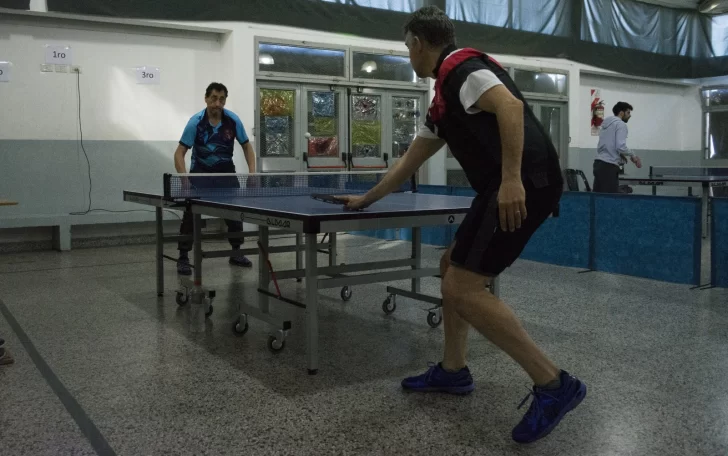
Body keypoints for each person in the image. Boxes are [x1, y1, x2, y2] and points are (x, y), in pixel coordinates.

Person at [336, 6, 586, 444]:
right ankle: (453, 371)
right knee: (452, 265)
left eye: (406, 47)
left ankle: (553, 384)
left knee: (462, 287)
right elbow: (408, 163)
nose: (408, 55)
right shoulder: (443, 100)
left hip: (521, 182)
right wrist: (365, 199)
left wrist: (511, 179)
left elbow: (509, 106)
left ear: (416, 43)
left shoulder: (461, 69)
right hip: (506, 184)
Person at [174, 82, 256, 275]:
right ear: (206, 99)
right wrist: (184, 180)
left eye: (221, 99)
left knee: (234, 214)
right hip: (200, 173)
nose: (217, 103)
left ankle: (236, 252)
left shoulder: (232, 120)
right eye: (214, 99)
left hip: (226, 172)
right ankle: (184, 256)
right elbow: (179, 153)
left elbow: (246, 146)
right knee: (191, 215)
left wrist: (253, 173)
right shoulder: (196, 122)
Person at [593, 101, 642, 193]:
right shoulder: (621, 125)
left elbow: (608, 145)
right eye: (628, 112)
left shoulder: (606, 125)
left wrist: (620, 155)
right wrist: (633, 155)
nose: (630, 115)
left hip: (598, 164)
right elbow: (620, 146)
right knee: (610, 199)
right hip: (609, 166)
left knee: (598, 198)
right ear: (621, 113)